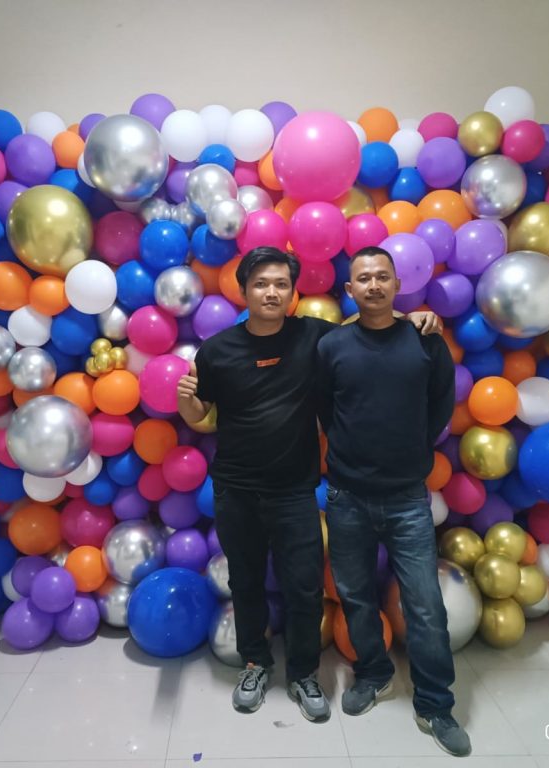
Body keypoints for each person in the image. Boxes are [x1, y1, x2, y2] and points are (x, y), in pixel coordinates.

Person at [176, 246, 441, 723]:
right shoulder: (216, 350)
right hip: (236, 489)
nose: (271, 292)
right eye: (261, 284)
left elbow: (371, 321)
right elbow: (200, 414)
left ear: (293, 292)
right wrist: (186, 401)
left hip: (295, 490)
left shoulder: (315, 336)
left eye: (281, 284)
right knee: (246, 582)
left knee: (303, 588)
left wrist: (413, 317)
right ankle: (255, 664)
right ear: (244, 289)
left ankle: (303, 673)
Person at [316, 246, 471, 757]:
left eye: (383, 276)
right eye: (364, 278)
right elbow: (326, 411)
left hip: (407, 498)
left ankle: (435, 704)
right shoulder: (332, 346)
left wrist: (409, 448)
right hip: (347, 495)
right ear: (350, 289)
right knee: (356, 596)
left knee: (425, 605)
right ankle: (374, 674)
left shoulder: (425, 340)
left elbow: (440, 405)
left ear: (397, 284)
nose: (374, 285)